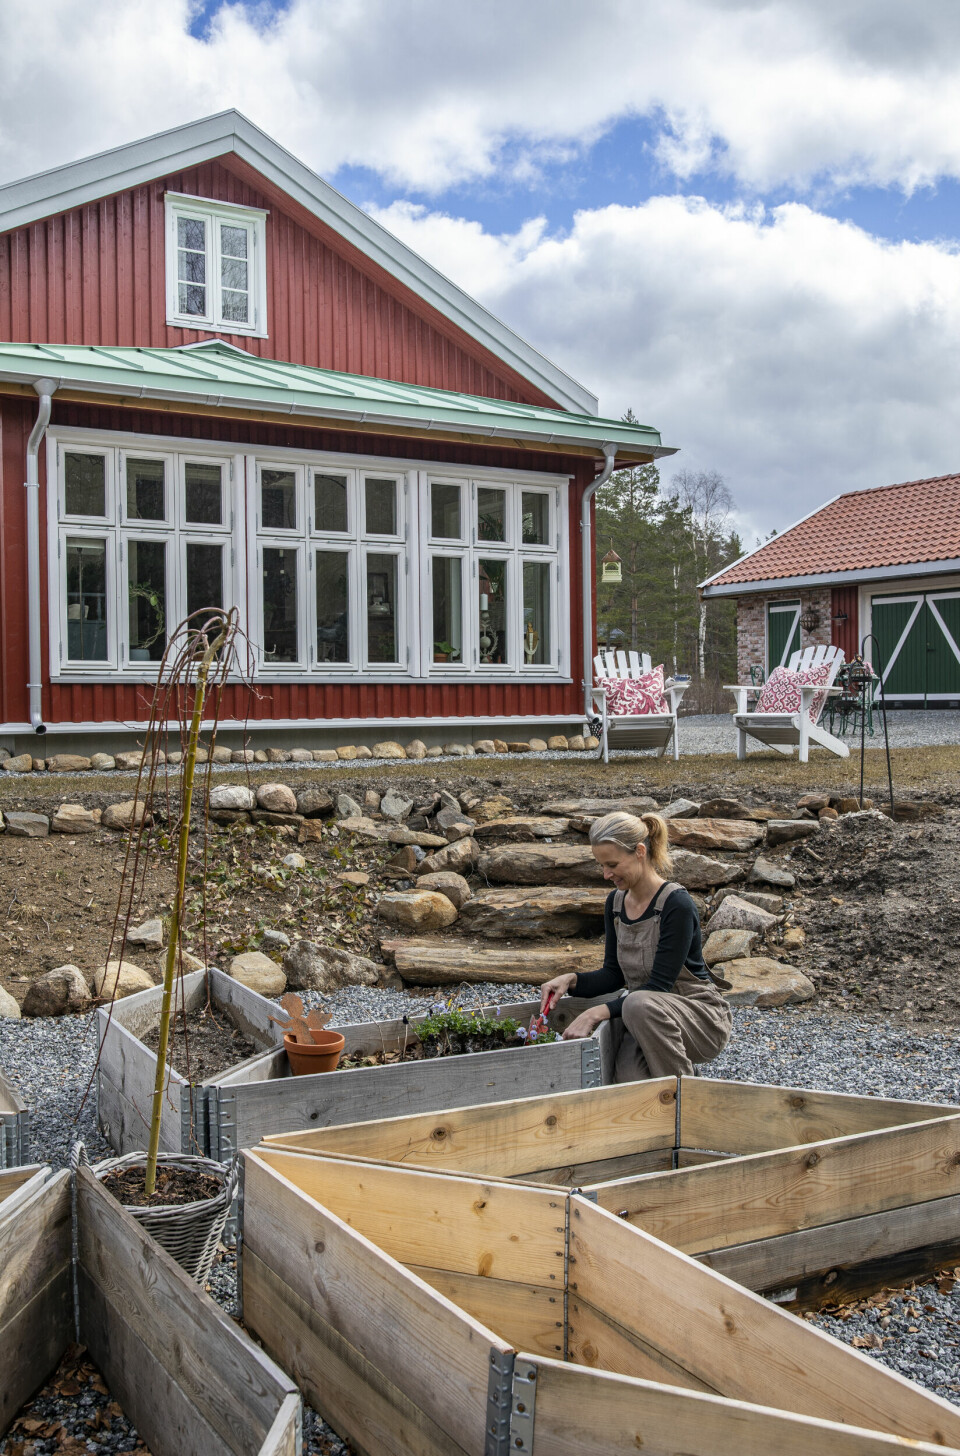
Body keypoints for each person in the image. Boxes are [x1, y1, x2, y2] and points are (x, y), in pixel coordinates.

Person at [538, 811, 731, 1081]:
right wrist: (570, 981)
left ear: (640, 851)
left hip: (698, 1017)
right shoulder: (615, 904)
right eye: (602, 865)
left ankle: (688, 1099)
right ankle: (676, 1082)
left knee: (636, 1003)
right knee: (629, 1080)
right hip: (643, 1016)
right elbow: (614, 975)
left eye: (613, 864)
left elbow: (659, 987)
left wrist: (595, 1012)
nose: (606, 874)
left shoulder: (676, 905)